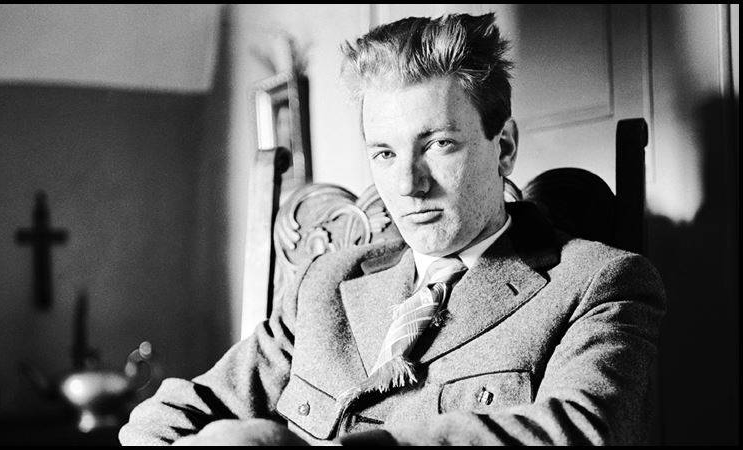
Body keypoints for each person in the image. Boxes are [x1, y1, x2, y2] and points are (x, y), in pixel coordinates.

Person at [119, 12, 666, 446]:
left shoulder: (599, 283)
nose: (407, 185)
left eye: (439, 145)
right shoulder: (325, 283)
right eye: (384, 153)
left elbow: (582, 432)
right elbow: (167, 416)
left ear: (503, 147)